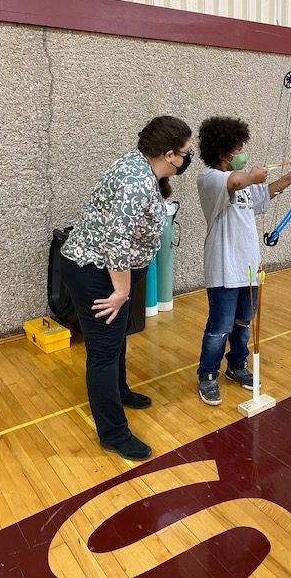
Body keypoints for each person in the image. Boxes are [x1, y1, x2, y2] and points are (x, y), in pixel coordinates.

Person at [60, 115, 192, 461]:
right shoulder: (136, 181)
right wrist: (120, 292)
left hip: (114, 269)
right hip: (94, 270)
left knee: (117, 336)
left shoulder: (142, 165)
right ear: (168, 154)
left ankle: (119, 392)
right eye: (185, 152)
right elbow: (115, 241)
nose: (188, 157)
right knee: (103, 352)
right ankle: (113, 433)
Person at [196, 116, 291, 405]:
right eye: (238, 148)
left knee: (244, 322)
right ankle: (207, 374)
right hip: (224, 268)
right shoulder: (210, 179)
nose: (242, 154)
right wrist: (254, 176)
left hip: (249, 268)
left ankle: (237, 365)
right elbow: (235, 180)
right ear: (223, 153)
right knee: (220, 325)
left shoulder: (243, 185)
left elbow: (264, 192)